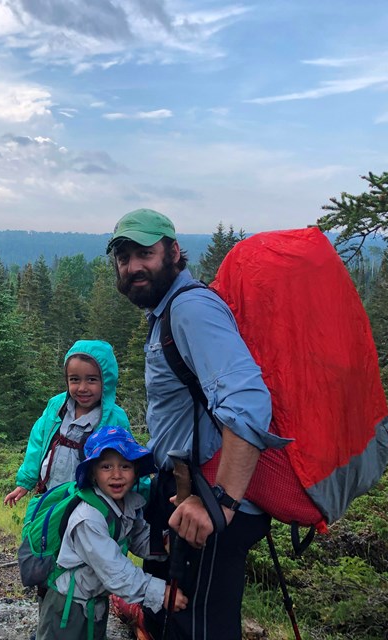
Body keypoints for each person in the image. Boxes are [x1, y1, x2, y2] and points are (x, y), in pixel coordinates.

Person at [107, 208, 291, 640]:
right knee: (168, 615)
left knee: (197, 627)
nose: (133, 266)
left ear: (173, 251)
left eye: (145, 254)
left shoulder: (190, 309)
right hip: (184, 491)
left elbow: (247, 402)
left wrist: (220, 503)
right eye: (124, 256)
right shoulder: (168, 312)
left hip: (206, 498)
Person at [37, 426, 188, 640]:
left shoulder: (125, 506)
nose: (116, 475)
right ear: (93, 473)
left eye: (125, 466)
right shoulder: (87, 518)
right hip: (67, 605)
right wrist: (160, 593)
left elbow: (138, 538)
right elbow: (114, 571)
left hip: (94, 601)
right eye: (106, 466)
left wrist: (164, 542)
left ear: (136, 472)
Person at [4, 339, 131, 508]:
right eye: (75, 379)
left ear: (106, 381)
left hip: (90, 504)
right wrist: (25, 482)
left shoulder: (114, 419)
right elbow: (38, 440)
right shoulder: (57, 406)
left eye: (92, 380)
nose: (82, 388)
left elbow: (130, 460)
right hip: (49, 496)